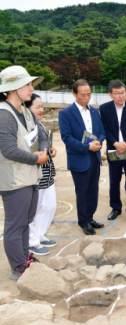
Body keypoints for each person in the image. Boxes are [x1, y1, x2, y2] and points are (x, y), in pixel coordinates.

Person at [0, 65, 49, 280]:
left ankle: (23, 257)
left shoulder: (26, 111)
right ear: (13, 88)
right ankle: (17, 266)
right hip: (14, 180)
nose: (31, 88)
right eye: (27, 84)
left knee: (26, 220)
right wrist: (37, 158)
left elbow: (42, 132)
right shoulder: (5, 114)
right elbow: (9, 150)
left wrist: (45, 149)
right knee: (15, 224)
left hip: (29, 177)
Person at [59, 79, 106, 236]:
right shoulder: (66, 113)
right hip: (79, 157)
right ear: (74, 94)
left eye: (89, 94)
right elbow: (67, 138)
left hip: (95, 156)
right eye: (83, 95)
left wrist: (98, 141)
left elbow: (101, 131)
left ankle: (90, 217)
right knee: (82, 191)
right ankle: (84, 221)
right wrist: (87, 147)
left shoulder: (94, 111)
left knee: (93, 190)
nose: (87, 98)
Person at [100, 80, 126, 224]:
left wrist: (125, 143)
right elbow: (105, 129)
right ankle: (115, 208)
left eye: (123, 92)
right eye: (117, 93)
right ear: (110, 94)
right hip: (114, 149)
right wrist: (115, 143)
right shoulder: (105, 108)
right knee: (114, 180)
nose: (120, 96)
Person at [26, 94, 58, 255]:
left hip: (46, 172)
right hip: (34, 174)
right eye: (37, 106)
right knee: (33, 209)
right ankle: (32, 242)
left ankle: (39, 234)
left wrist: (50, 152)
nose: (41, 110)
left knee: (50, 205)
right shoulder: (25, 126)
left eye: (42, 106)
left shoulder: (39, 124)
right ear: (27, 107)